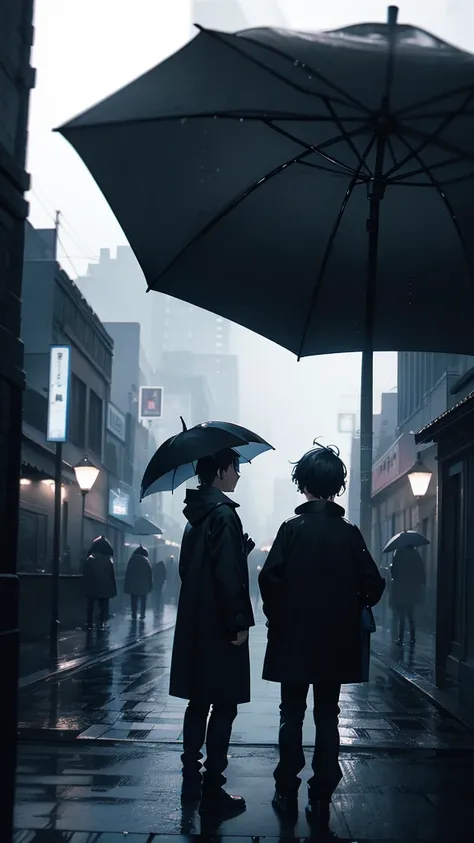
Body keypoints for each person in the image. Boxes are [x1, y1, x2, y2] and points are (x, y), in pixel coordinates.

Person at [259, 444, 385, 832]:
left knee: (290, 713)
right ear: (336, 485)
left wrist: (279, 614)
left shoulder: (290, 530)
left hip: (292, 637)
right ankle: (321, 794)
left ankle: (286, 788)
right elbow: (374, 584)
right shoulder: (349, 533)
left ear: (305, 485)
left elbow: (268, 579)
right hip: (337, 639)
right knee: (327, 714)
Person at [169, 448, 255, 812]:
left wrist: (240, 551)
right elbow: (226, 575)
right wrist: (238, 622)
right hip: (221, 625)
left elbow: (190, 570)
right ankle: (213, 789)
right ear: (220, 470)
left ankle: (191, 781)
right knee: (224, 705)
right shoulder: (223, 515)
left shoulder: (196, 518)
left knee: (198, 702)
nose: (238, 473)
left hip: (196, 623)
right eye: (235, 466)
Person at [390, 545, 426, 645]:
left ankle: (400, 637)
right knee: (410, 615)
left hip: (400, 588)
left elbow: (394, 573)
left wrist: (391, 566)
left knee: (401, 615)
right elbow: (421, 570)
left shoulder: (398, 553)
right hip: (412, 589)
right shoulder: (415, 555)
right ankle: (412, 637)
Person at [82, 536, 117, 630]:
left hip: (92, 585)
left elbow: (86, 573)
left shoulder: (91, 559)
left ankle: (89, 623)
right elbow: (111, 576)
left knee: (91, 605)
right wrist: (113, 589)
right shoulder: (109, 561)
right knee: (103, 605)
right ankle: (102, 622)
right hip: (105, 586)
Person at [124, 545, 153, 620]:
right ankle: (142, 614)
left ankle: (134, 613)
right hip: (144, 585)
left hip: (133, 584)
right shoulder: (146, 561)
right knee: (143, 600)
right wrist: (150, 585)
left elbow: (128, 573)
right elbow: (149, 574)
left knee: (134, 600)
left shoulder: (132, 560)